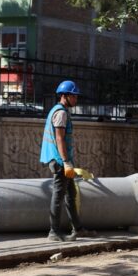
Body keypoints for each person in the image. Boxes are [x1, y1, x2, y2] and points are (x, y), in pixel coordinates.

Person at [40, 81, 84, 242]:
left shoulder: (59, 110)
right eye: (74, 96)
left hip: (61, 160)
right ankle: (54, 232)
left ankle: (78, 229)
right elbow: (59, 139)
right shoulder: (61, 113)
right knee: (58, 196)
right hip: (59, 161)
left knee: (71, 194)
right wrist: (65, 162)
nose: (76, 99)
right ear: (64, 96)